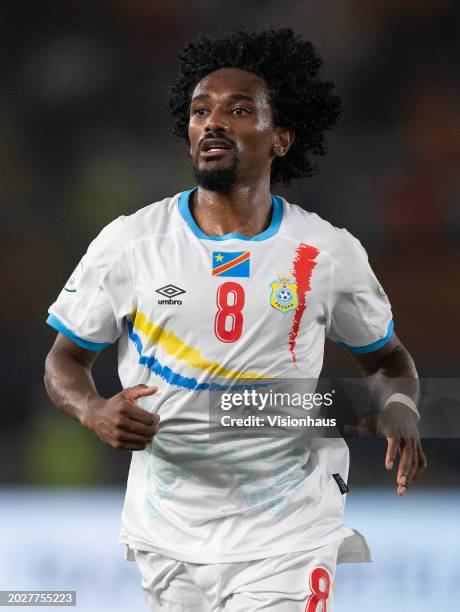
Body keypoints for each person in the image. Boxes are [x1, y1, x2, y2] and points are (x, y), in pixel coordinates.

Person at [44, 27, 427, 612]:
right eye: (202, 111)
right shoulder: (130, 242)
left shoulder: (326, 252)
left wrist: (399, 407)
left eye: (239, 110)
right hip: (167, 531)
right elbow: (63, 360)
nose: (214, 122)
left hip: (290, 532)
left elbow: (386, 358)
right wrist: (93, 410)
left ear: (281, 139)